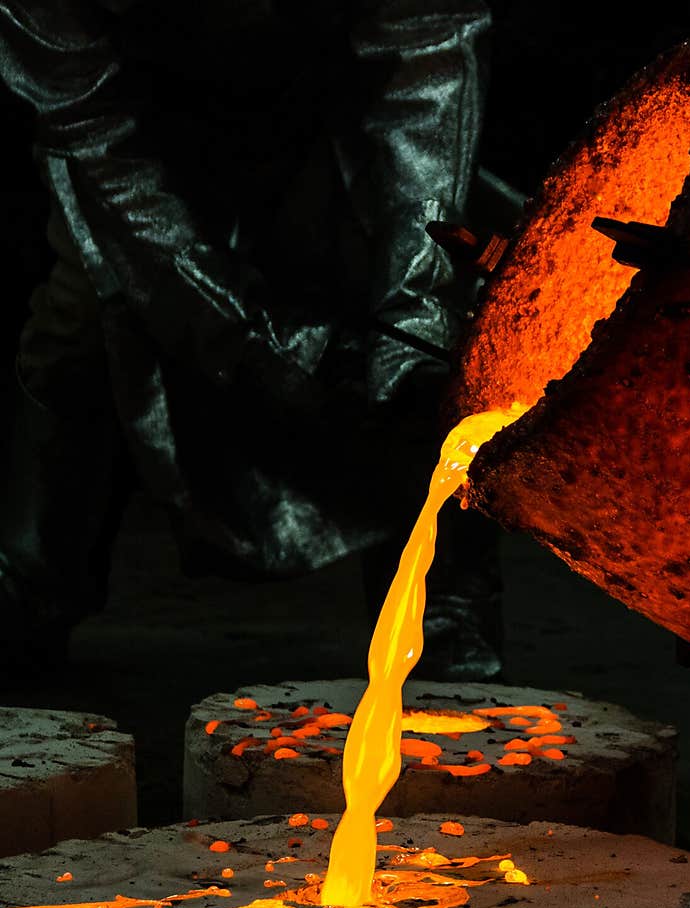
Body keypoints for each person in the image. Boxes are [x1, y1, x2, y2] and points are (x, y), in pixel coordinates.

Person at [0, 0, 507, 683]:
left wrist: (416, 300)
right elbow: (92, 122)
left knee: (436, 332)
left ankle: (442, 608)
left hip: (339, 126)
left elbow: (426, 57)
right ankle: (31, 588)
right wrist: (241, 333)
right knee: (77, 330)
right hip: (136, 147)